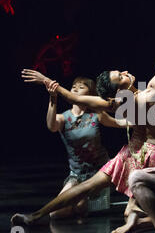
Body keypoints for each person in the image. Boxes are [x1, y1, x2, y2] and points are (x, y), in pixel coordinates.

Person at [11, 0, 155, 233]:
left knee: (92, 189)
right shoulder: (150, 93)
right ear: (119, 88)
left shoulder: (117, 104)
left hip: (133, 152)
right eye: (121, 75)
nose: (126, 71)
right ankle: (36, 216)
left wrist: (49, 82)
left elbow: (76, 98)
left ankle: (37, 216)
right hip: (150, 154)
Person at [44, 76, 127, 220]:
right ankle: (81, 207)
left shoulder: (96, 115)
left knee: (82, 206)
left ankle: (85, 205)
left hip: (98, 173)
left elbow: (118, 123)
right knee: (55, 213)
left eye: (81, 87)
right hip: (76, 174)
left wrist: (140, 121)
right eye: (74, 86)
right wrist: (53, 98)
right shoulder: (63, 118)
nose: (76, 88)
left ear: (90, 95)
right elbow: (51, 126)